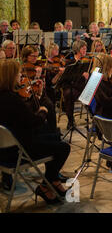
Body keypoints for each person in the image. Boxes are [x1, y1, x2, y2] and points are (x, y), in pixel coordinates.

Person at [0, 59, 70, 204]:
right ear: (12, 76)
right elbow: (34, 121)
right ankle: (46, 185)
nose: (20, 76)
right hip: (20, 151)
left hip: (6, 148)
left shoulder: (5, 96)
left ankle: (54, 180)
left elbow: (22, 118)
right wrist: (43, 109)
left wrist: (37, 98)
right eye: (18, 73)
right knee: (64, 147)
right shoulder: (13, 99)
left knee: (55, 137)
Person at [61, 40, 90, 129]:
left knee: (93, 92)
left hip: (82, 86)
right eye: (83, 49)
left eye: (86, 49)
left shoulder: (87, 62)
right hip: (70, 86)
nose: (85, 50)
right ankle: (70, 120)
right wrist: (81, 75)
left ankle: (95, 118)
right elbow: (66, 77)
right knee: (68, 94)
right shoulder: (70, 62)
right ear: (77, 50)